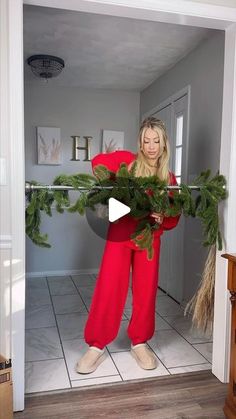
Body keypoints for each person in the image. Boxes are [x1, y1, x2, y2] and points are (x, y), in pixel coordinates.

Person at [76, 117, 181, 374]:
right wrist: (120, 187)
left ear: (164, 143)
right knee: (109, 287)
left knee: (145, 293)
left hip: (149, 239)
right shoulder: (128, 161)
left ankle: (140, 342)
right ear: (141, 142)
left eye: (156, 140)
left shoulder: (167, 177)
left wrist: (162, 216)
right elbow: (98, 163)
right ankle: (97, 346)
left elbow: (174, 213)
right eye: (147, 140)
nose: (151, 146)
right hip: (120, 236)